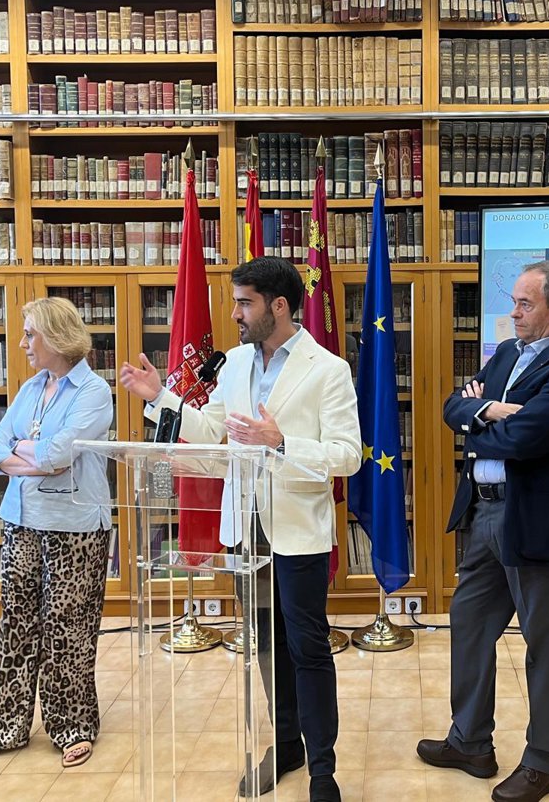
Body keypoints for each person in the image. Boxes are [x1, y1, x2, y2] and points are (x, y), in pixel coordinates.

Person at [119, 256, 361, 802]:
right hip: (244, 530)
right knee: (267, 645)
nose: (234, 314)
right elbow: (211, 432)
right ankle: (287, 745)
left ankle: (323, 770)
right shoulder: (233, 364)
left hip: (297, 531)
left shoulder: (328, 369)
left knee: (307, 648)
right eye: (235, 302)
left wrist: (281, 442)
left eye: (244, 303)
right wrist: (160, 397)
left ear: (280, 305)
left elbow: (348, 455)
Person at [418, 261, 549, 802]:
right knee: (469, 623)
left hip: (534, 522)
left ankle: (545, 762)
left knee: (543, 642)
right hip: (483, 514)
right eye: (515, 301)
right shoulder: (505, 353)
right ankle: (470, 742)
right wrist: (492, 410)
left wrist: (479, 421)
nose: (514, 312)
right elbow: (452, 407)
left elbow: (523, 440)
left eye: (525, 303)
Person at [0, 296, 114, 770]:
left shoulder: (93, 391)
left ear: (57, 337)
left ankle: (72, 726)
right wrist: (34, 454)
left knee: (68, 628)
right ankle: (2, 727)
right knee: (16, 623)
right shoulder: (31, 388)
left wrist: (28, 452)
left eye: (30, 334)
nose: (23, 343)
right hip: (21, 519)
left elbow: (58, 454)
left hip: (74, 525)